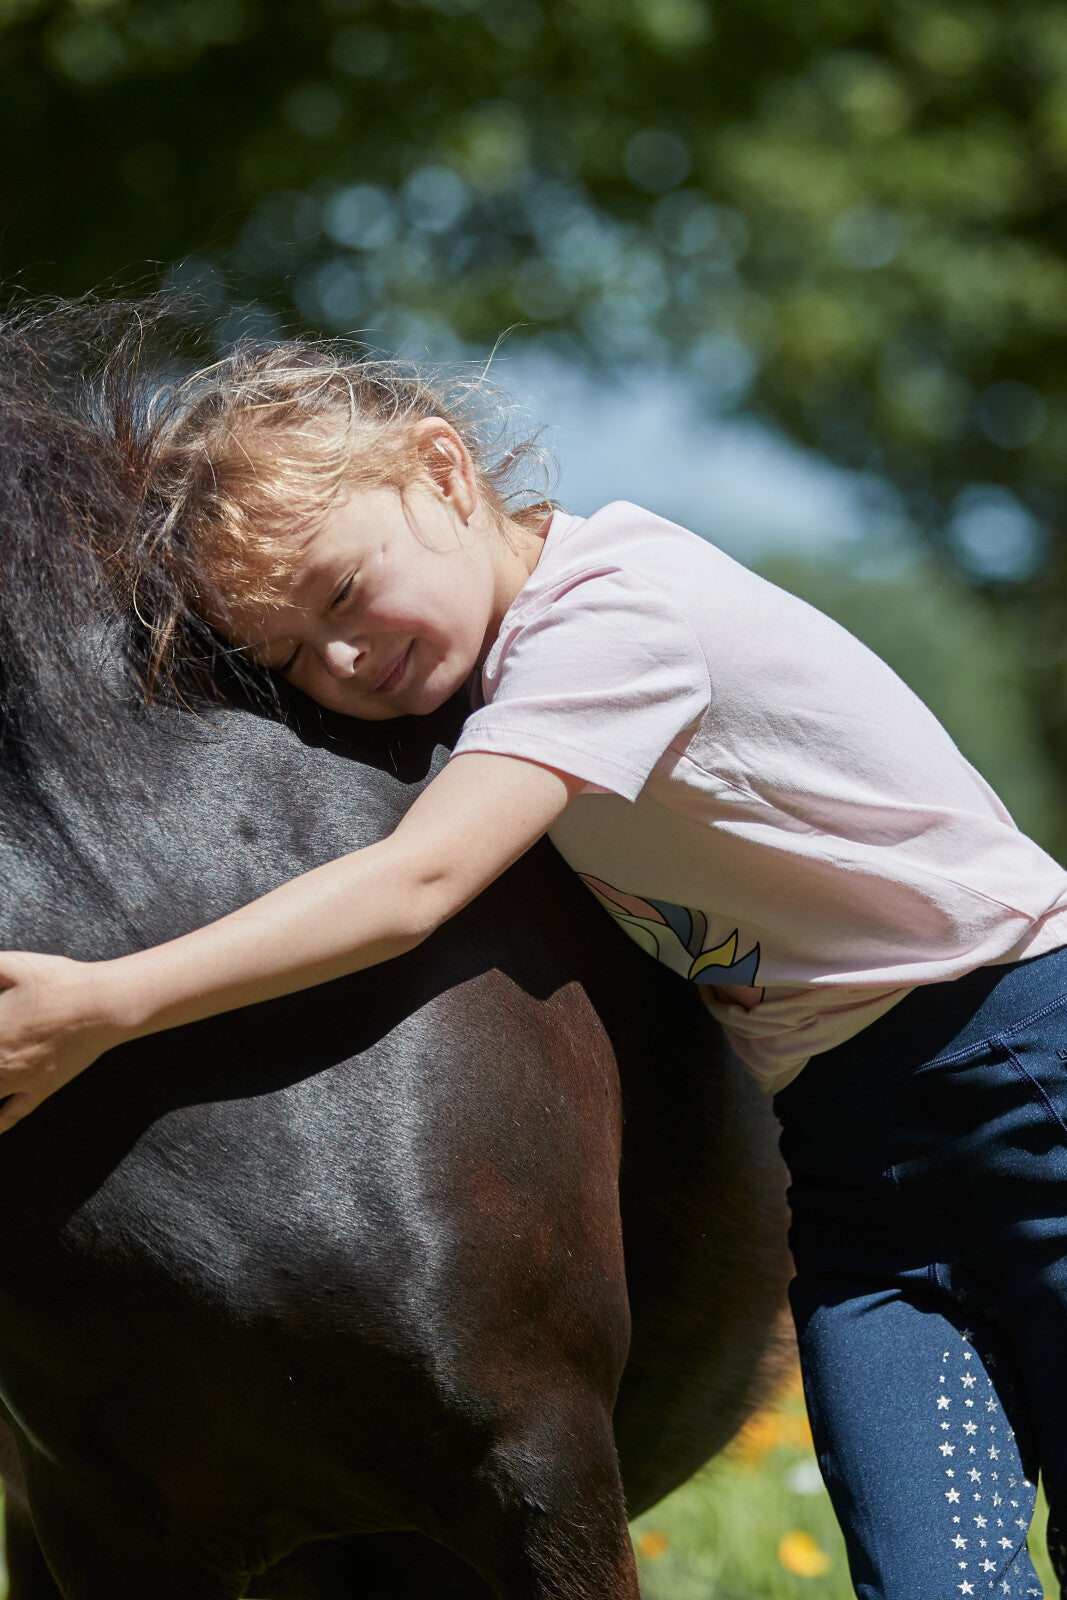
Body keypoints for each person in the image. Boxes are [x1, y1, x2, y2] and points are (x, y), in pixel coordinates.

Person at [0, 338, 1064, 1597]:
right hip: (847, 1155)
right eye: (292, 656)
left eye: (342, 593)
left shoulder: (615, 618)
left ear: (442, 471)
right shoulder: (501, 682)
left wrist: (102, 1003)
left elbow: (414, 884)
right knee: (931, 1573)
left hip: (1020, 1072)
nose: (340, 661)